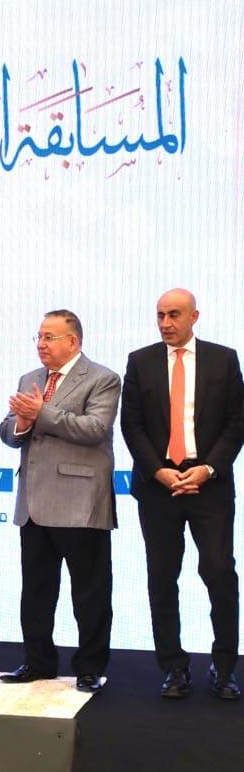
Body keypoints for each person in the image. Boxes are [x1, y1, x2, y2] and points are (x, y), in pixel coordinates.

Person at [121, 288, 244, 701]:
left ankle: (224, 667)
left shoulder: (224, 360)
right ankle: (173, 668)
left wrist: (208, 468)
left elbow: (237, 422)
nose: (165, 323)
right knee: (161, 577)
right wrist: (157, 471)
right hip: (159, 486)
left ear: (194, 316)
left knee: (219, 572)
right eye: (160, 315)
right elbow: (131, 425)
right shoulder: (140, 361)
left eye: (174, 314)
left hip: (209, 484)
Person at [0, 309, 120, 693]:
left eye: (49, 337)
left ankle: (90, 667)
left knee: (90, 592)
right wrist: (21, 424)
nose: (41, 344)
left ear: (73, 341)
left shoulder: (102, 378)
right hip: (33, 502)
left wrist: (41, 413)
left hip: (81, 502)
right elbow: (8, 430)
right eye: (39, 336)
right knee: (36, 590)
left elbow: (95, 429)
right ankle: (38, 662)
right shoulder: (30, 379)